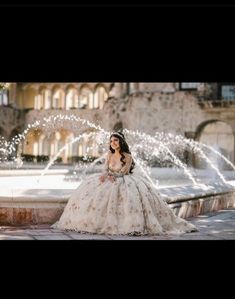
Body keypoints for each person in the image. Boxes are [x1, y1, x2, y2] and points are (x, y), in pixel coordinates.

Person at [52, 131, 197, 235]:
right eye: (111, 141)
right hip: (109, 178)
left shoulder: (127, 156)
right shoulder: (109, 154)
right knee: (89, 192)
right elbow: (105, 168)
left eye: (115, 140)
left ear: (121, 142)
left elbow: (125, 172)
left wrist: (112, 176)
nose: (113, 143)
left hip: (123, 180)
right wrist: (105, 175)